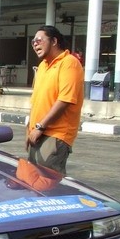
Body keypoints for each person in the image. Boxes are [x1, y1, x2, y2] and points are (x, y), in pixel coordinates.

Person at [26, 25, 84, 175]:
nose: (35, 44)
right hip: (37, 132)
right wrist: (30, 128)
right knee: (32, 180)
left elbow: (65, 100)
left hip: (55, 134)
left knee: (48, 181)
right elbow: (36, 100)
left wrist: (40, 127)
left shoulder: (69, 63)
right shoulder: (42, 66)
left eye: (39, 40)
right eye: (33, 42)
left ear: (54, 41)